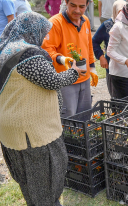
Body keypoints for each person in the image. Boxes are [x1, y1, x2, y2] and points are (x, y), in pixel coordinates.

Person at [0, 12, 82, 206]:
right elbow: (52, 81)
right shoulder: (28, 53)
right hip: (32, 130)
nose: (45, 38)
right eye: (44, 33)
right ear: (32, 30)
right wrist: (74, 73)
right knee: (45, 178)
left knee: (28, 179)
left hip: (11, 129)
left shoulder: (5, 48)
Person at [42, 0, 98, 118]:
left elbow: (88, 46)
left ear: (87, 5)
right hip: (65, 81)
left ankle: (82, 139)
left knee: (84, 116)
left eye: (82, 6)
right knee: (68, 119)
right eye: (73, 5)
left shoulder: (86, 21)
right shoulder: (55, 23)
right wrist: (61, 59)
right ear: (66, 2)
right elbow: (46, 49)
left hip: (84, 78)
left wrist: (92, 67)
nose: (77, 10)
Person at [93, 0, 128, 97]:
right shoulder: (118, 27)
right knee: (125, 106)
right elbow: (110, 51)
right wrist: (126, 61)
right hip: (121, 74)